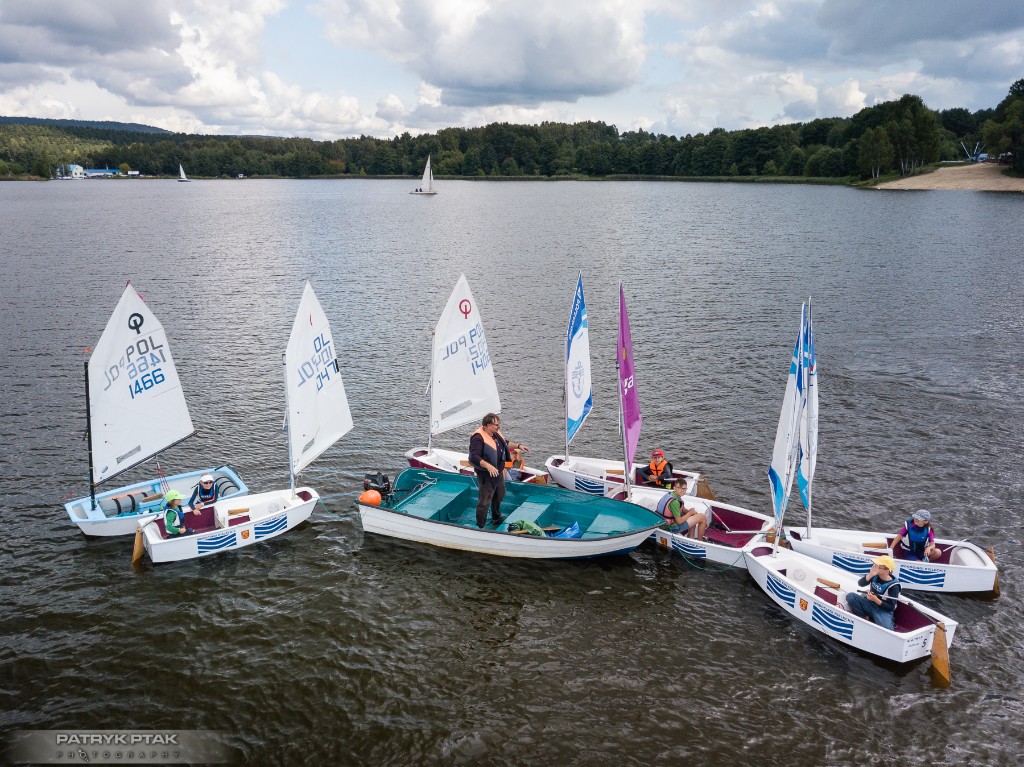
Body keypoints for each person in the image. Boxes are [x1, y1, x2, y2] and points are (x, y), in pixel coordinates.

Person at [468, 413, 529, 528]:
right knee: (484, 500)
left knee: (500, 494)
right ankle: (480, 525)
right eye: (496, 425)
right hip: (486, 474)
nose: (498, 427)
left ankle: (496, 517)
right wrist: (488, 466)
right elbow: (474, 457)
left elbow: (506, 443)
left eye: (498, 424)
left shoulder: (495, 433)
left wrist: (519, 446)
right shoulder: (478, 438)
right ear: (488, 425)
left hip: (498, 471)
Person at [845, 555, 902, 630]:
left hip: (882, 609)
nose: (875, 568)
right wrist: (870, 574)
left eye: (879, 567)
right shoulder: (874, 575)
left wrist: (875, 600)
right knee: (851, 596)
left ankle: (886, 620)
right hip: (869, 603)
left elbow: (891, 607)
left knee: (887, 628)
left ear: (886, 571)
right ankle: (864, 617)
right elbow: (860, 583)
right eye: (875, 565)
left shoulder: (894, 587)